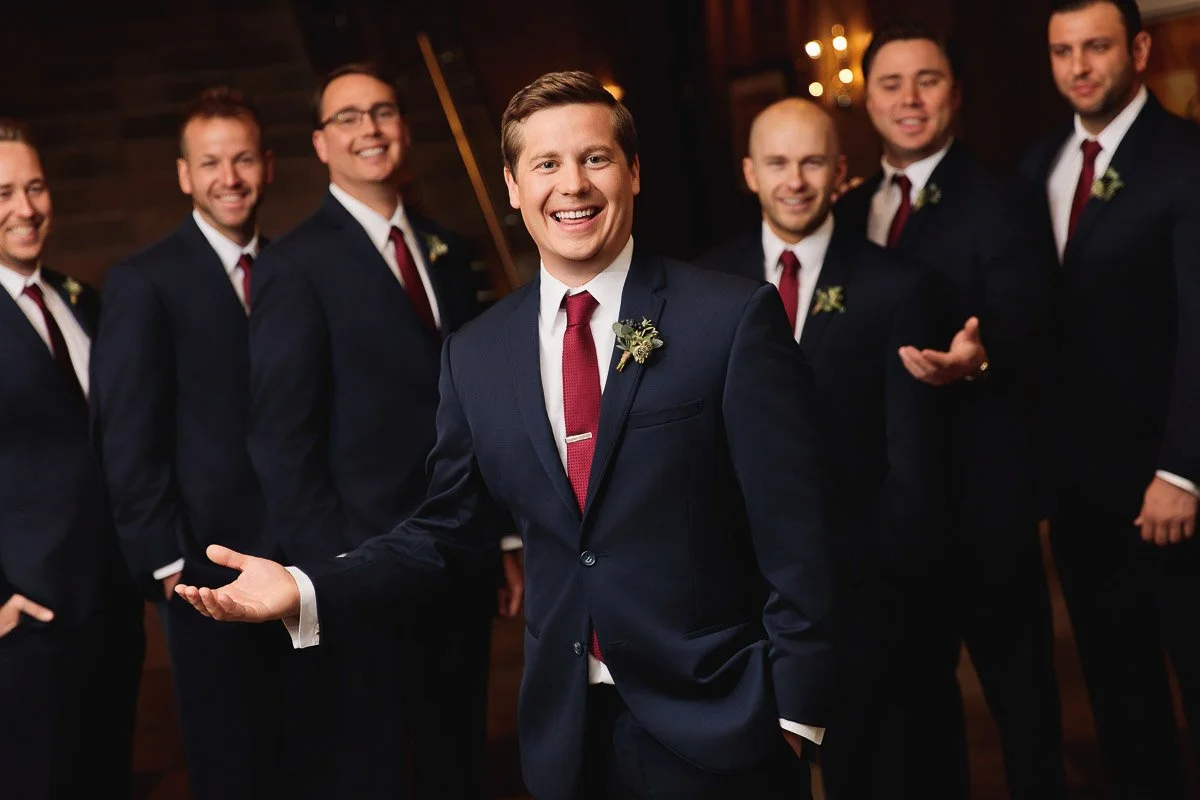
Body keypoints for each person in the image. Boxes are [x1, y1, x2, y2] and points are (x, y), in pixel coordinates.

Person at [179, 69, 836, 800]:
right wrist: (304, 585)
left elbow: (799, 530)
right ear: (513, 186)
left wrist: (796, 714)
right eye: (546, 164)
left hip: (721, 723)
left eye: (595, 158)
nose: (573, 186)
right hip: (565, 739)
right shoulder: (478, 352)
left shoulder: (729, 318)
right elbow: (446, 531)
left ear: (634, 171)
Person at [246, 62, 515, 799]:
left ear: (403, 127)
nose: (369, 128)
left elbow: (481, 409)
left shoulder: (447, 249)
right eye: (349, 117)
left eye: (384, 111)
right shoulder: (293, 266)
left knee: (459, 752)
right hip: (362, 565)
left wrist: (502, 539)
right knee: (378, 765)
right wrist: (334, 567)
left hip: (456, 557)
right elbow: (279, 441)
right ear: (320, 145)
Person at [835, 23, 1065, 799]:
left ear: (955, 93)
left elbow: (1031, 315)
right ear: (865, 99)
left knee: (1026, 711)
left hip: (983, 502)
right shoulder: (846, 208)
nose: (909, 98)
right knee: (914, 719)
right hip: (891, 515)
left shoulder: (1005, 196)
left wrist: (981, 354)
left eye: (927, 80)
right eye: (891, 83)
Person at [698, 97, 945, 798]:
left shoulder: (898, 286)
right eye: (777, 162)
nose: (795, 180)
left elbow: (912, 465)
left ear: (841, 171)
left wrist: (849, 584)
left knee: (876, 772)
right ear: (750, 172)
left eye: (811, 161)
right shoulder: (703, 285)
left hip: (864, 592)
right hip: (738, 598)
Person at [1020, 1, 1200, 795]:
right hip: (1083, 490)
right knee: (1120, 697)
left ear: (1138, 48)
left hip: (1175, 484)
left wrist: (1184, 470)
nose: (1078, 66)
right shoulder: (1040, 165)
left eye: (1095, 47)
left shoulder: (1187, 160)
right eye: (1063, 51)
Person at [91, 87, 288, 799]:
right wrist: (170, 566)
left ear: (267, 166)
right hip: (206, 571)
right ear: (184, 174)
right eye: (211, 163)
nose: (228, 178)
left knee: (308, 750)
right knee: (231, 761)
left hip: (299, 562)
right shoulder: (144, 280)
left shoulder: (292, 268)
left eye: (242, 160)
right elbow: (127, 437)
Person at [0, 118, 142, 800]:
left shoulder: (79, 296)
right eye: (2, 192)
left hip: (111, 598)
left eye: (34, 187)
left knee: (106, 775)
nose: (24, 208)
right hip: (26, 616)